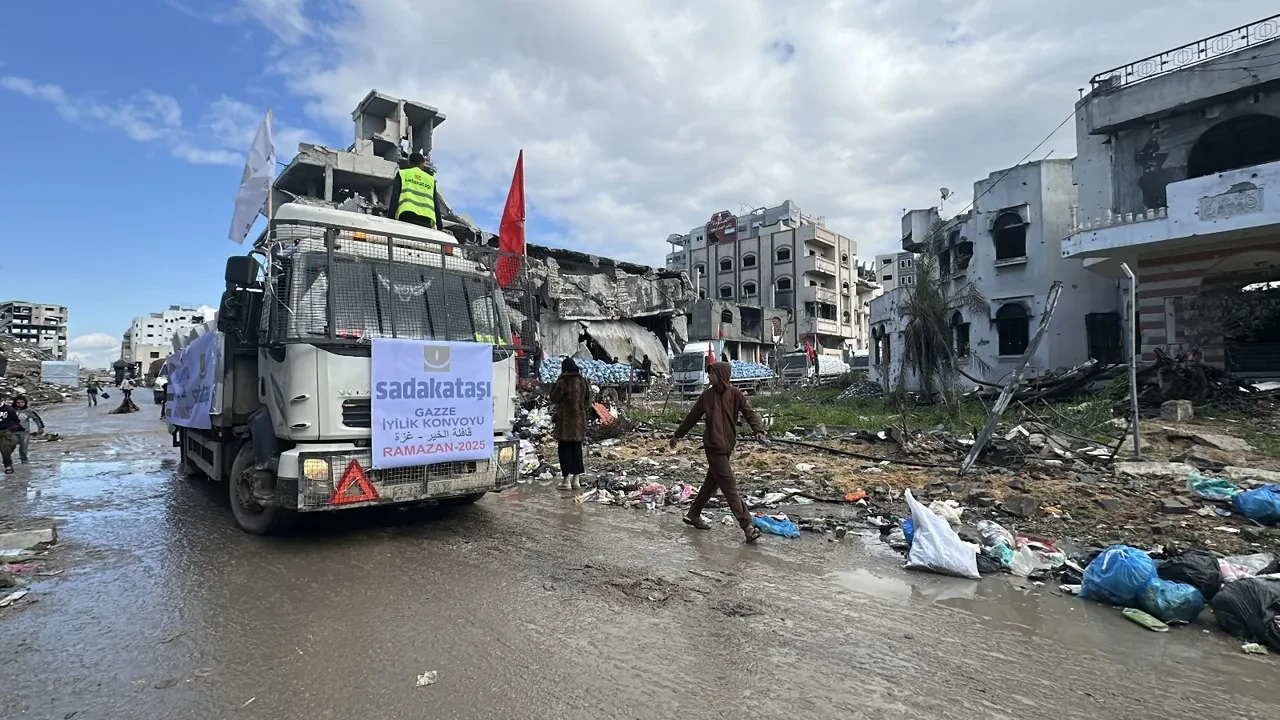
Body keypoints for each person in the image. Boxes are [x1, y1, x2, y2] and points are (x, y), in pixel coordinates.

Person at [669, 362, 767, 543]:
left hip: (727, 446)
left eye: (712, 373)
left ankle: (693, 513)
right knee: (730, 488)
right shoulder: (706, 397)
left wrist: (758, 430)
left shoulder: (736, 395)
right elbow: (692, 417)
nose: (709, 376)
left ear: (722, 375)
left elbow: (749, 413)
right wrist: (677, 435)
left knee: (711, 483)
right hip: (713, 448)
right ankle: (747, 527)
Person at [549, 357, 591, 490]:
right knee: (577, 449)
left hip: (565, 423)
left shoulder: (563, 381)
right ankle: (576, 480)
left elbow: (554, 399)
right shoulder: (582, 381)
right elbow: (588, 402)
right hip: (579, 422)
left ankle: (566, 481)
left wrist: (553, 387)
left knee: (565, 450)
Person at [387, 152, 441, 229]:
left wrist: (390, 218)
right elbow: (436, 204)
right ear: (423, 163)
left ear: (409, 163)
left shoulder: (403, 174)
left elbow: (395, 196)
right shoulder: (430, 180)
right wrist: (440, 227)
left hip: (406, 215)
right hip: (426, 219)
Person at [10, 396, 44, 465]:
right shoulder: (11, 410)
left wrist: (40, 427)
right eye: (18, 403)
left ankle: (24, 460)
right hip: (13, 432)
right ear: (15, 403)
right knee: (10, 445)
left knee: (23, 447)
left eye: (22, 402)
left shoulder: (28, 411)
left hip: (24, 432)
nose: (20, 404)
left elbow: (37, 419)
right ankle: (7, 458)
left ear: (25, 402)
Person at [0, 396, 20, 473]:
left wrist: (10, 430)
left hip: (5, 432)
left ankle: (8, 465)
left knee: (5, 449)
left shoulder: (9, 409)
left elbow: (16, 421)